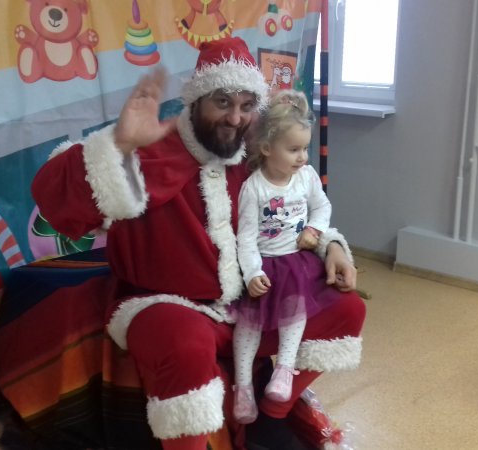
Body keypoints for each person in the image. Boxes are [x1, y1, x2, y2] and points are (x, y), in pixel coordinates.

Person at [31, 37, 365, 450]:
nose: (235, 118)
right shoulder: (153, 151)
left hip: (250, 301)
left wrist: (330, 246)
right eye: (222, 102)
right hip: (164, 301)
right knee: (185, 346)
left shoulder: (256, 155)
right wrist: (118, 145)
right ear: (197, 100)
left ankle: (272, 417)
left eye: (246, 105)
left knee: (347, 308)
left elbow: (291, 216)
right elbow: (54, 196)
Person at [231, 89, 340, 425]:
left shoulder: (306, 177)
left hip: (295, 262)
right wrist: (252, 273)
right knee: (248, 323)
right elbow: (245, 237)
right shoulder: (254, 187)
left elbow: (322, 207)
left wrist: (315, 231)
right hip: (264, 264)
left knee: (295, 313)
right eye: (293, 150)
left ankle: (284, 371)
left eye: (305, 148)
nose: (302, 157)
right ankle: (243, 387)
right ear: (266, 148)